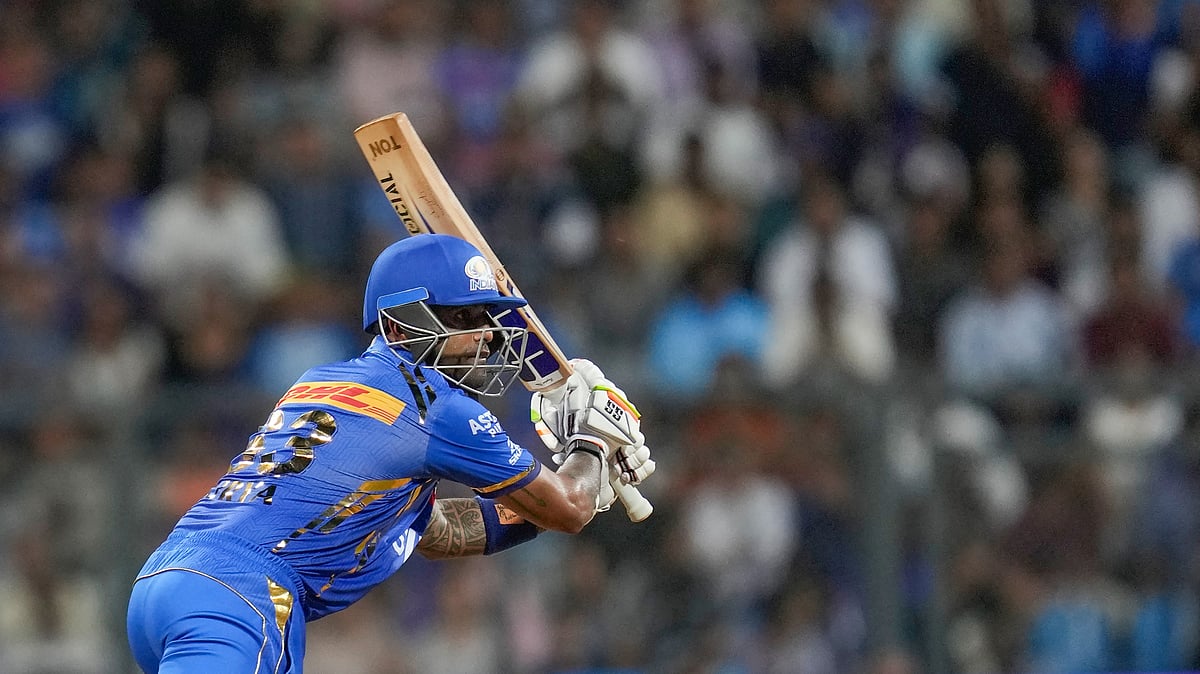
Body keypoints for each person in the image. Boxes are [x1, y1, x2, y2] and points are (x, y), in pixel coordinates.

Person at [126, 234, 653, 672]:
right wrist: (592, 446)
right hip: (243, 598)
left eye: (488, 319)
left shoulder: (323, 381)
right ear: (401, 325)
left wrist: (571, 489)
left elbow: (433, 533)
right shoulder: (435, 407)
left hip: (168, 581)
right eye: (465, 317)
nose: (486, 338)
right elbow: (569, 506)